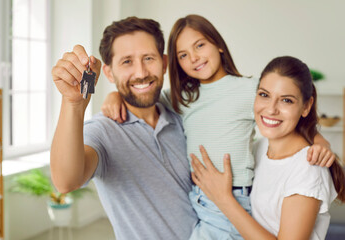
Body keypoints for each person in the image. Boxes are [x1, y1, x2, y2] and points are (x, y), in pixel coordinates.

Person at [101, 15, 336, 239]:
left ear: (219, 45)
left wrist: (320, 142)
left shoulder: (249, 89)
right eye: (183, 55)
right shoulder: (183, 97)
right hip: (199, 197)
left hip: (231, 195)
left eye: (200, 45)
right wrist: (114, 96)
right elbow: (143, 95)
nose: (193, 58)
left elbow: (285, 115)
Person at [51, 17, 198, 240]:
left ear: (164, 63)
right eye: (127, 62)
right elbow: (65, 181)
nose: (141, 72)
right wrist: (73, 104)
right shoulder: (102, 131)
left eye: (148, 58)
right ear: (109, 73)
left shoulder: (180, 112)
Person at [191, 56, 345, 239]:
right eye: (264, 95)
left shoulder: (308, 168)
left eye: (286, 100)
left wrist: (224, 200)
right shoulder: (258, 147)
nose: (271, 109)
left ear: (306, 106)